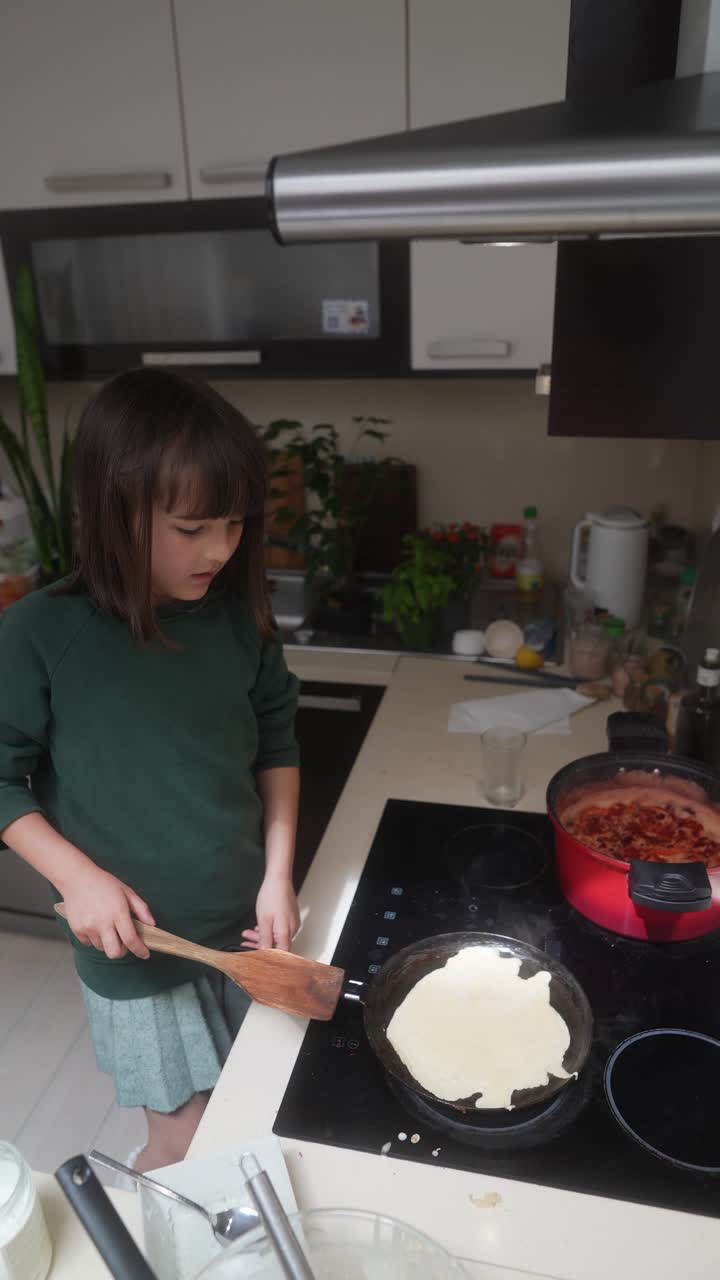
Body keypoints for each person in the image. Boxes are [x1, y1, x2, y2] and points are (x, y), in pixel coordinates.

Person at [0, 368, 300, 1172]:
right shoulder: (39, 634)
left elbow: (277, 745)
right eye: (193, 527)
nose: (221, 549)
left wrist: (277, 877)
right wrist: (78, 878)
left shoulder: (237, 623)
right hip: (134, 948)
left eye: (235, 524)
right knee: (186, 1141)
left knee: (250, 1111)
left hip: (244, 929)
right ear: (114, 512)